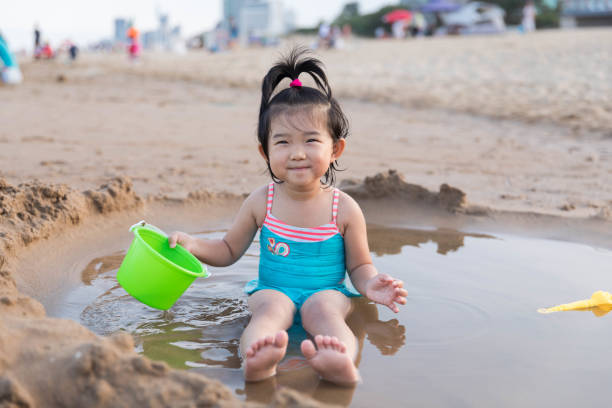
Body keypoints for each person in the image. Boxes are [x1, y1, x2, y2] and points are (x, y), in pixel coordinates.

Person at [168, 47, 407, 386]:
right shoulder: (261, 201)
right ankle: (258, 360)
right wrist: (193, 244)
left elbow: (358, 266)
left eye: (311, 140)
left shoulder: (345, 208)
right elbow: (227, 250)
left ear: (335, 148)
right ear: (265, 151)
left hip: (326, 291)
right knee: (268, 312)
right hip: (273, 288)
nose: (297, 153)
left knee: (325, 312)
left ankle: (340, 362)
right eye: (282, 142)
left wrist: (370, 284)